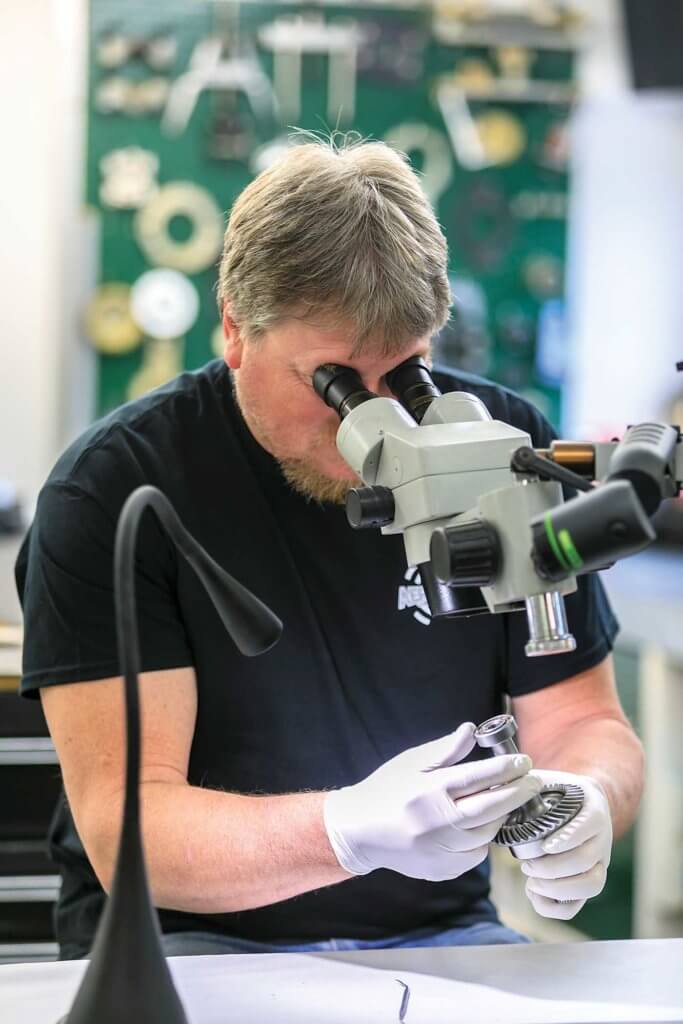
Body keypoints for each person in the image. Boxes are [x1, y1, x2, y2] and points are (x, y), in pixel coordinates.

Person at [16, 137, 643, 961]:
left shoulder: (502, 444)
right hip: (185, 943)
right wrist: (345, 830)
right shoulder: (117, 490)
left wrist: (586, 798)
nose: (375, 421)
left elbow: (583, 719)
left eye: (408, 373)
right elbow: (129, 831)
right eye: (336, 381)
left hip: (437, 936)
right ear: (237, 332)